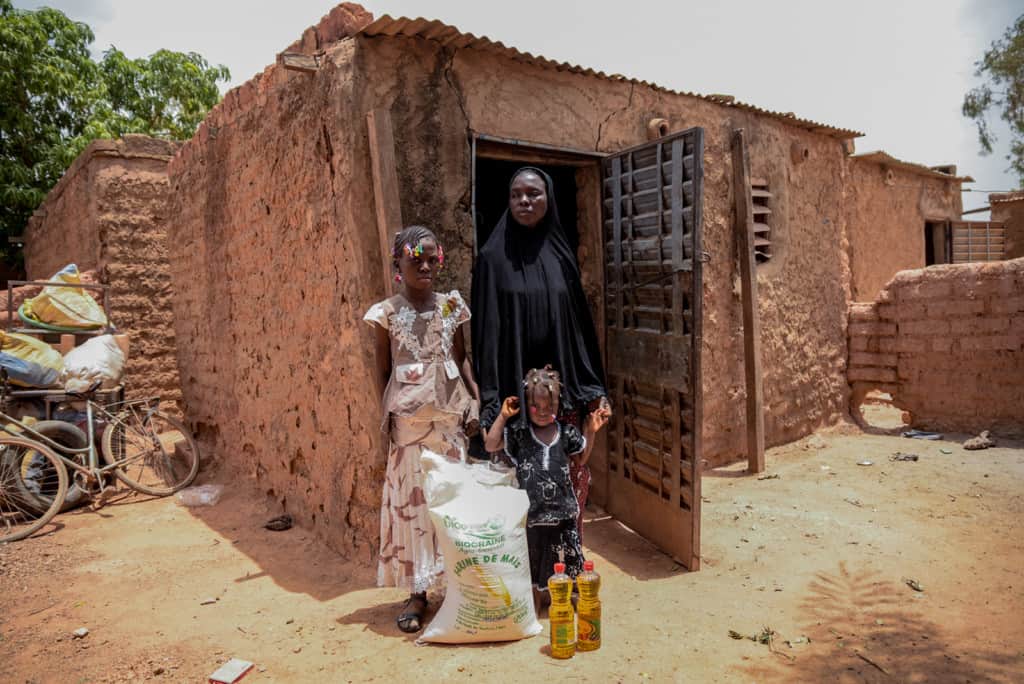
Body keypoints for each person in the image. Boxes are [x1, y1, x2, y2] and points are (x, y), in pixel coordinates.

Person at [471, 167, 610, 539]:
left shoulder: (562, 257)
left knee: (565, 486)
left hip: (559, 400)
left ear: (548, 198)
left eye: (533, 194)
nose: (524, 201)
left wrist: (593, 388)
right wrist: (489, 400)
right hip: (516, 402)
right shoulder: (491, 259)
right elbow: (485, 334)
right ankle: (527, 582)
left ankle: (563, 569)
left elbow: (579, 329)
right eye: (516, 194)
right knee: (522, 497)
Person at [363, 225, 479, 633]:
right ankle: (418, 593)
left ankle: (461, 589)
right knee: (415, 510)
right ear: (399, 263)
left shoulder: (452, 307)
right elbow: (382, 370)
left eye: (432, 259)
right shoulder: (386, 314)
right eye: (416, 259)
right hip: (409, 430)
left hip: (448, 426)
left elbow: (462, 360)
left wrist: (474, 401)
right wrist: (388, 420)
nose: (426, 266)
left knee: (451, 507)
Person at [483, 366, 609, 604]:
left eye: (549, 407)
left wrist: (591, 432)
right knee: (534, 566)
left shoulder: (566, 433)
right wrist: (503, 416)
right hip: (533, 517)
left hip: (563, 515)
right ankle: (537, 607)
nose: (543, 412)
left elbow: (581, 459)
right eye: (535, 406)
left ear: (558, 405)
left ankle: (568, 603)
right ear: (525, 403)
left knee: (568, 563)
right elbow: (491, 445)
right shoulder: (520, 434)